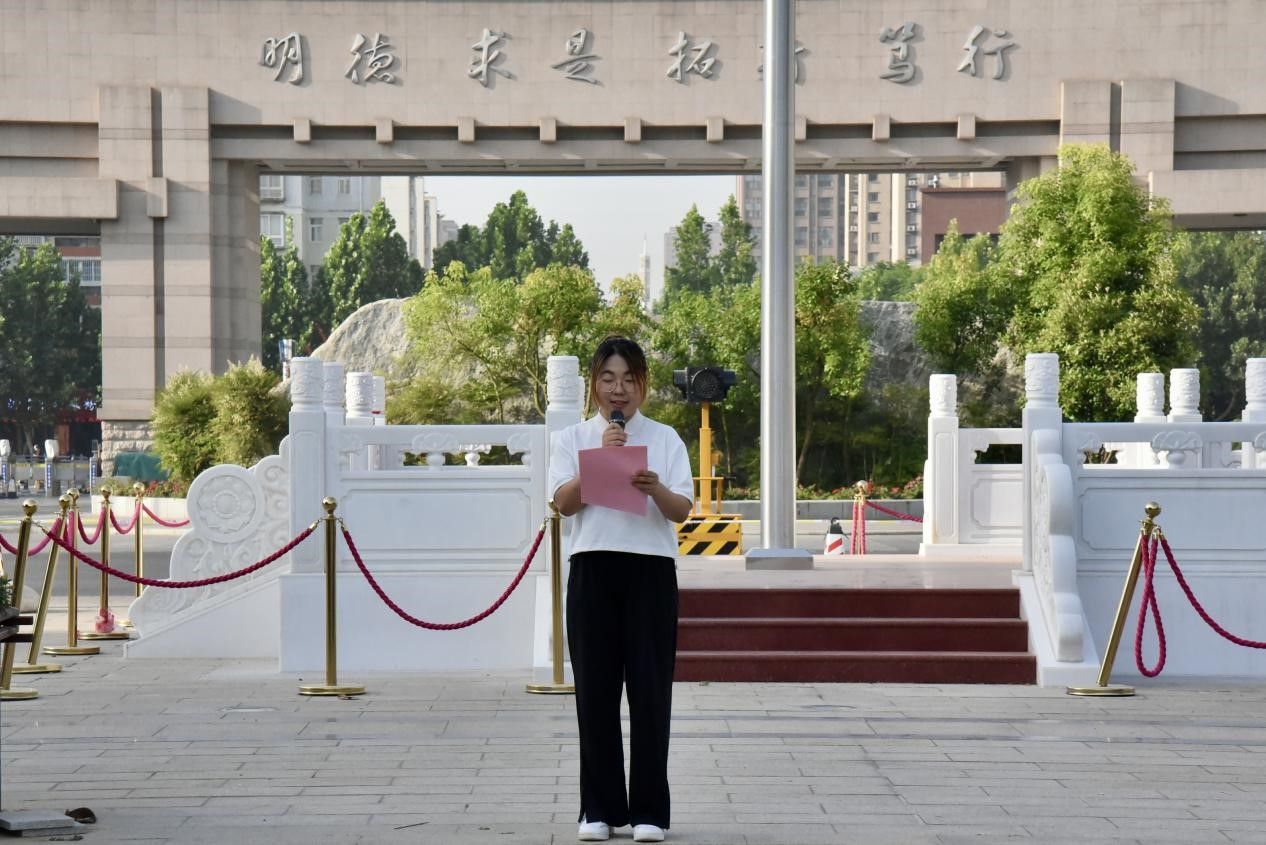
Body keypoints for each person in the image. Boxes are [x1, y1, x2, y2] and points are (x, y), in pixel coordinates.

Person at [548, 336, 694, 844]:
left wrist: (655, 488)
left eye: (629, 379)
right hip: (593, 570)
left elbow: (682, 511)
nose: (619, 389)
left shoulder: (666, 438)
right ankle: (599, 809)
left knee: (650, 692)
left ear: (642, 385)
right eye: (609, 378)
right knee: (595, 693)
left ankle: (649, 810)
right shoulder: (572, 438)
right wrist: (599, 462)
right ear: (594, 384)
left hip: (650, 572)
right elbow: (563, 504)